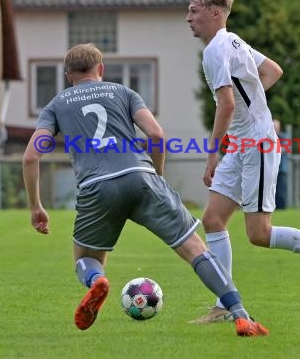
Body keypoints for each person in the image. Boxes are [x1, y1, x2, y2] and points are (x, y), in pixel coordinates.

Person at [22, 43, 268, 337]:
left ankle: (97, 280)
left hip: (96, 187)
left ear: (67, 75)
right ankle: (240, 315)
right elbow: (156, 134)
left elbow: (30, 156)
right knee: (195, 249)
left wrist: (36, 206)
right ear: (101, 69)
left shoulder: (56, 105)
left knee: (85, 259)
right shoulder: (123, 92)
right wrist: (158, 176)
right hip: (141, 176)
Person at [185, 0, 300, 324]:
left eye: (194, 11)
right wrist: (251, 104)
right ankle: (225, 305)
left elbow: (225, 104)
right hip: (243, 142)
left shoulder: (215, 50)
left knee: (259, 233)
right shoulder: (233, 41)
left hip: (257, 144)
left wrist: (212, 153)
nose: (188, 18)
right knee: (212, 219)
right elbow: (272, 71)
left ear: (215, 12)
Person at [273, 120, 287, 210]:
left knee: (280, 191)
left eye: (276, 127)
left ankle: (281, 208)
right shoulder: (267, 137)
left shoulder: (282, 137)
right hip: (270, 170)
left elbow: (284, 149)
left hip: (281, 170)